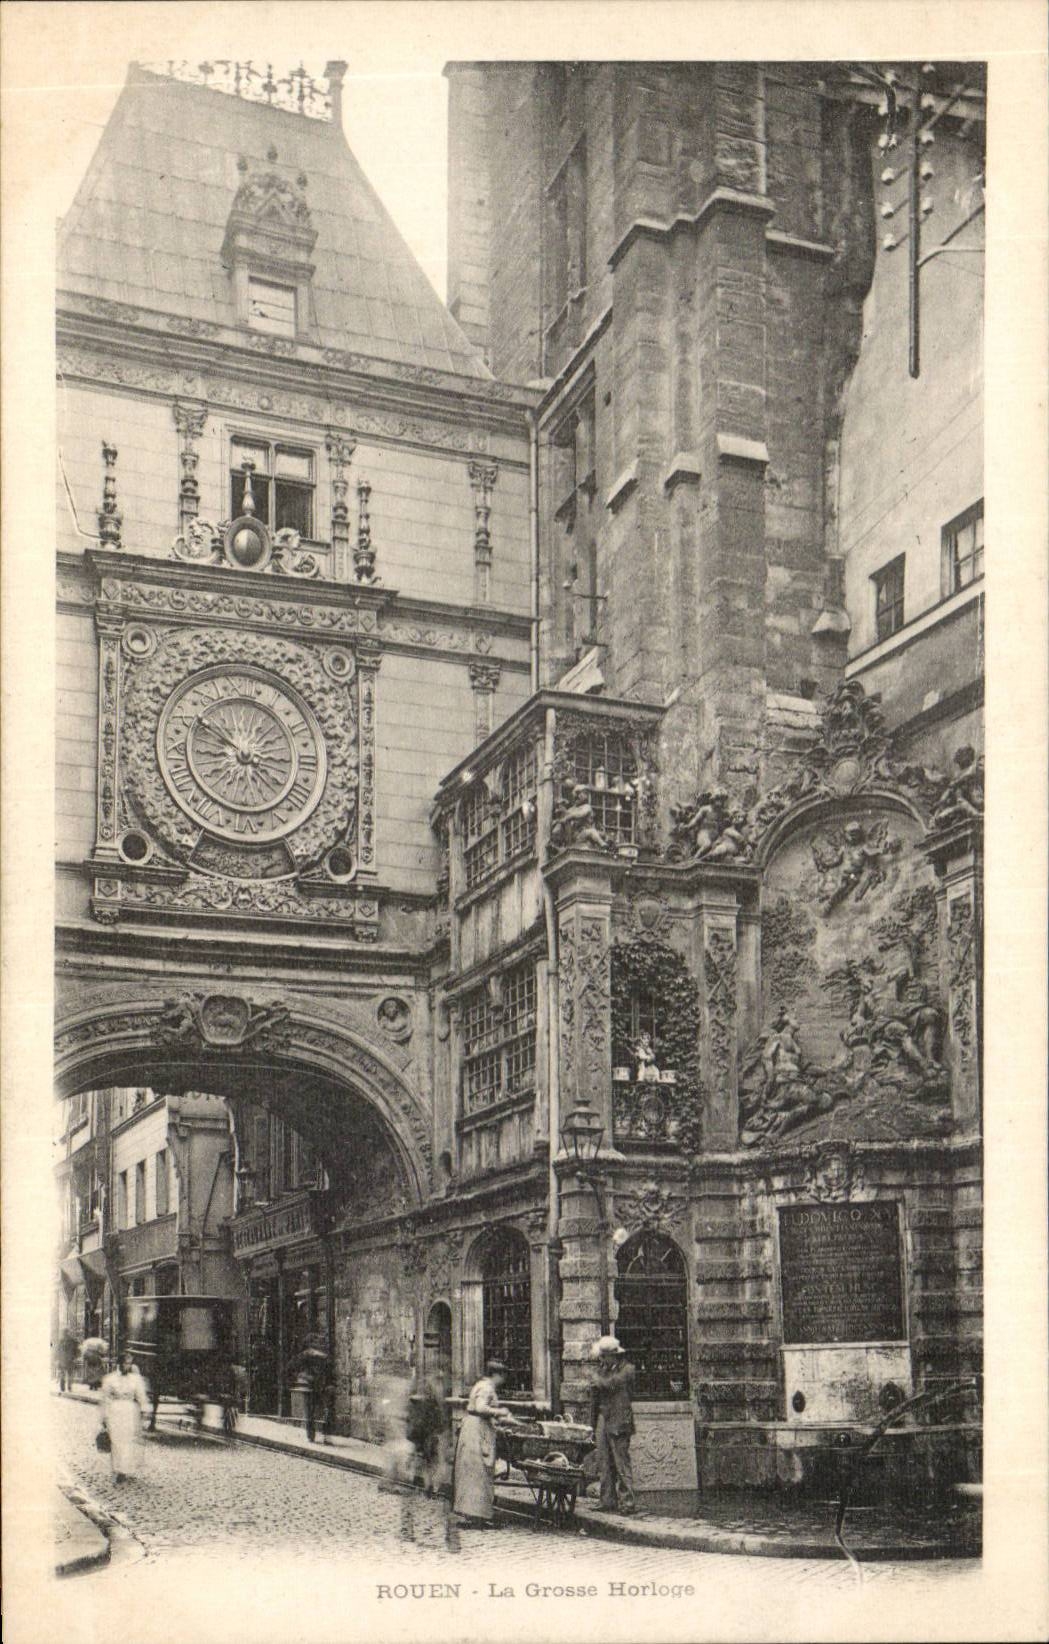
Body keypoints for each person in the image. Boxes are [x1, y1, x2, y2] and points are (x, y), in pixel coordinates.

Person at [452, 1360, 512, 1526]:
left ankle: (474, 1514)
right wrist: (499, 1411)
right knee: (479, 1472)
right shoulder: (486, 1387)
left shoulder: (481, 1385)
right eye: (502, 1376)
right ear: (496, 1375)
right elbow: (480, 1407)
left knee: (474, 1472)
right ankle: (479, 1516)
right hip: (477, 1431)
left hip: (475, 1428)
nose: (503, 1380)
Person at [589, 1336, 637, 1515]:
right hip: (604, 1418)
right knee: (604, 1461)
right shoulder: (602, 1369)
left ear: (613, 1356)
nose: (601, 1360)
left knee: (621, 1463)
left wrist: (596, 1380)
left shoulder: (627, 1370)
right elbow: (595, 1395)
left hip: (619, 1420)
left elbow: (610, 1384)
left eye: (604, 1357)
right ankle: (607, 1500)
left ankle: (628, 1502)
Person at [98, 1350, 150, 1483]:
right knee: (116, 1440)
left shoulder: (135, 1379)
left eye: (129, 1363)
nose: (127, 1366)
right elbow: (104, 1399)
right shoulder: (110, 1379)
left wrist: (145, 1410)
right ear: (119, 1363)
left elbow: (141, 1396)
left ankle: (124, 1470)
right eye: (125, 1363)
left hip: (130, 1412)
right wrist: (104, 1416)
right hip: (115, 1411)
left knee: (127, 1440)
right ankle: (117, 1468)